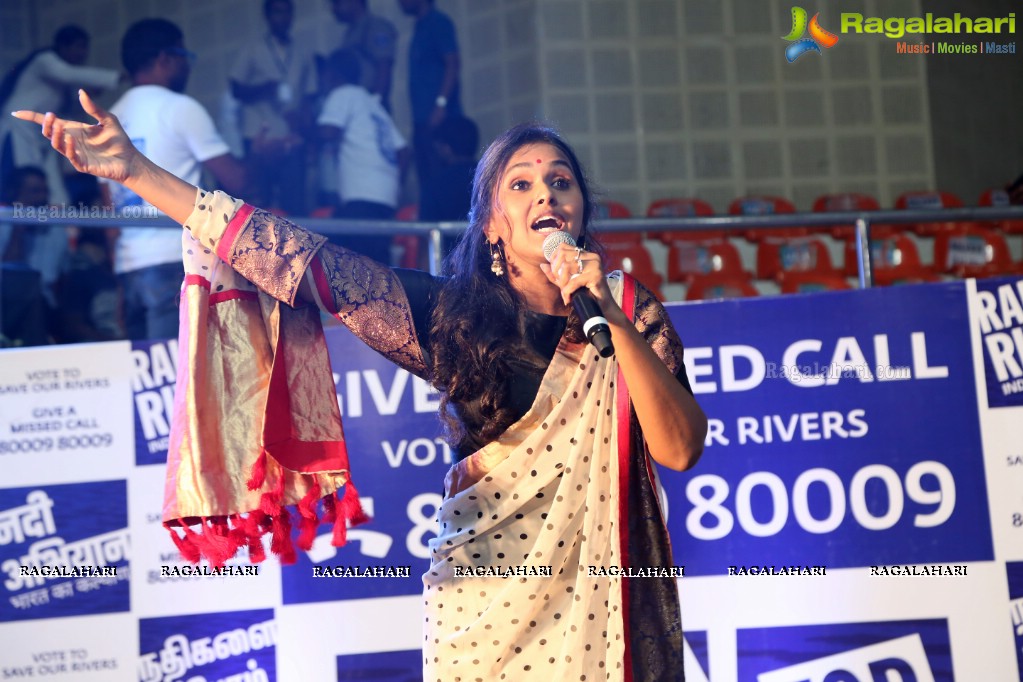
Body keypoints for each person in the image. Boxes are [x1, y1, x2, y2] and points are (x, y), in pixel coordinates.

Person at [16, 91, 707, 680]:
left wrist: (609, 317)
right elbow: (297, 259)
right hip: (486, 609)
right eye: (520, 184)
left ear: (580, 206)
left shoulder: (622, 308)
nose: (545, 193)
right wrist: (136, 170)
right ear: (493, 223)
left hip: (606, 607)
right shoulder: (450, 317)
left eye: (560, 181)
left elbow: (678, 450)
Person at [107, 18, 247, 341]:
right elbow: (235, 178)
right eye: (185, 57)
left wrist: (118, 278)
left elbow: (109, 216)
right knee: (183, 376)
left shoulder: (110, 119)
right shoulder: (180, 108)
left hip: (130, 269)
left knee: (148, 381)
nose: (188, 66)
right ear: (165, 59)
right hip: (178, 262)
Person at [0, 25, 121, 205]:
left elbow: (76, 95)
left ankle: (65, 230)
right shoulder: (45, 61)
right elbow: (68, 74)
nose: (83, 53)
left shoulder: (63, 77)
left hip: (43, 134)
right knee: (20, 180)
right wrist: (117, 77)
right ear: (63, 47)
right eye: (79, 47)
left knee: (53, 186)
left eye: (85, 47)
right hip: (19, 128)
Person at [318, 48, 408, 263]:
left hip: (360, 197)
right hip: (385, 198)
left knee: (349, 269)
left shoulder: (342, 94)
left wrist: (300, 131)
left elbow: (328, 131)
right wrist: (393, 183)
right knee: (379, 269)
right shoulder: (372, 104)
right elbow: (404, 152)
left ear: (331, 74)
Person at [229, 0, 316, 215]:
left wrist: (304, 121)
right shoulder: (253, 47)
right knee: (259, 199)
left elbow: (310, 94)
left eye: (288, 13)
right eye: (278, 13)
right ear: (267, 16)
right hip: (260, 134)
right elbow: (235, 88)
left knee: (294, 200)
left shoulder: (303, 51)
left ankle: (297, 247)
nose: (284, 18)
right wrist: (264, 89)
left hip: (290, 136)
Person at [397, 0, 462, 208]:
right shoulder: (419, 26)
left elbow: (452, 62)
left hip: (441, 121)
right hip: (423, 122)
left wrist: (440, 104)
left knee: (445, 186)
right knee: (429, 186)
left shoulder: (438, 22)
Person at [330, 0, 398, 112]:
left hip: (370, 103)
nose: (333, 9)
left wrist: (375, 103)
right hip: (356, 105)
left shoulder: (376, 27)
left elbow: (384, 67)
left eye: (337, 3)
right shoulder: (350, 33)